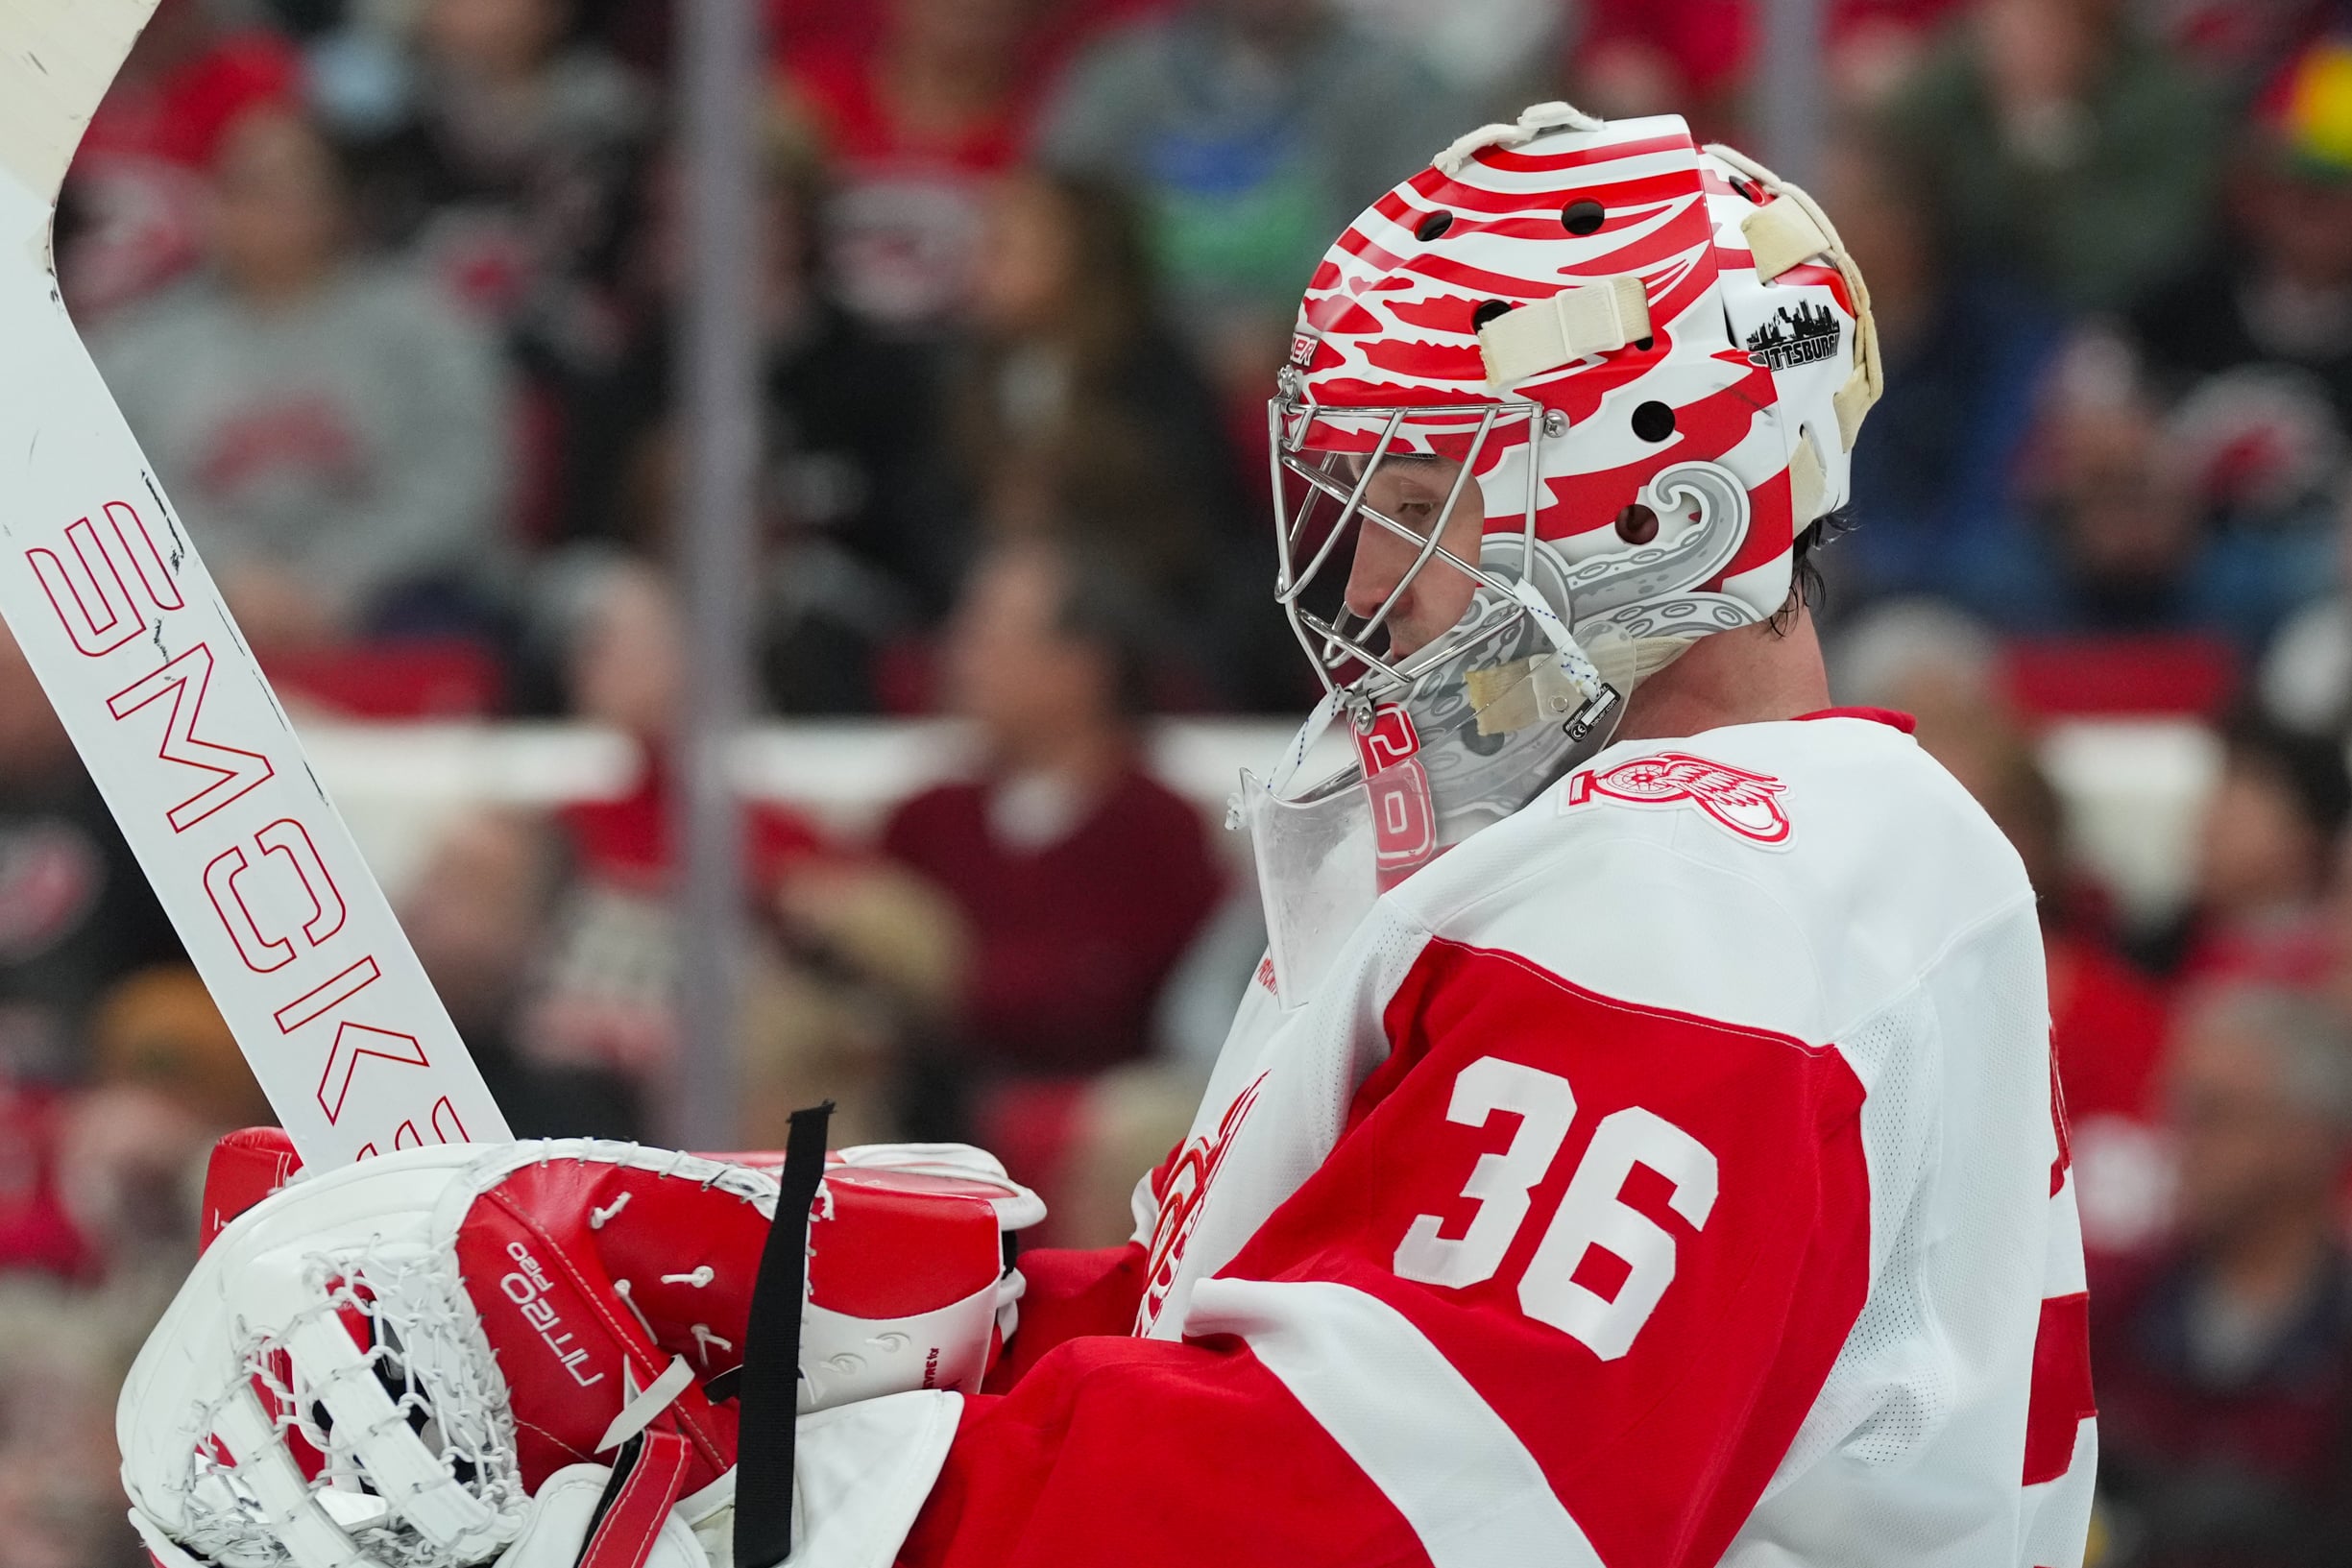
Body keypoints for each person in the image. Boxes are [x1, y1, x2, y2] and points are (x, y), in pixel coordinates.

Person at [124, 103, 2095, 1568]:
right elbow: (1277, 1348)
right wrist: (818, 1299)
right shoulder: (1661, 859)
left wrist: (738, 1509)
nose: (1359, 563)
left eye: (1419, 495)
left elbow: (1382, 1509)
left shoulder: (1718, 897)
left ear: (1654, 513)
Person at [92, 106, 512, 651]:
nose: (258, 210)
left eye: (284, 186)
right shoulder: (140, 347)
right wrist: (227, 573)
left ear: (339, 202)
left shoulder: (428, 325)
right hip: (199, 603)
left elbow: (466, 479)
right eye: (239, 186)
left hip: (399, 597)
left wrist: (339, 576)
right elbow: (114, 492)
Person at [2091, 984, 2352, 1565]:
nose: (2179, 1142)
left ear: (2309, 1140)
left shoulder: (2338, 1353)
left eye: (2213, 1115)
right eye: (2175, 1110)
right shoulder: (2111, 1313)